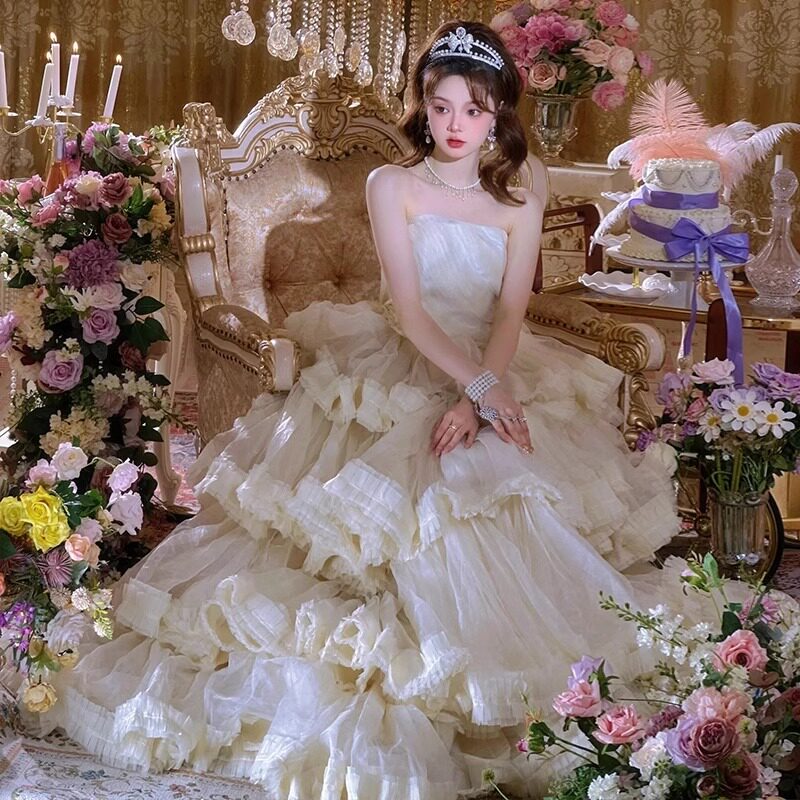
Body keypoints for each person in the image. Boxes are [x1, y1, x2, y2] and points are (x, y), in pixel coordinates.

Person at [47, 20, 682, 799]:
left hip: (494, 360)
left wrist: (486, 389)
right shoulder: (393, 184)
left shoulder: (526, 185)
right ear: (424, 106)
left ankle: (513, 662)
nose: (455, 125)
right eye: (442, 107)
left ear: (499, 114)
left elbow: (512, 309)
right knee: (421, 485)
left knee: (506, 479)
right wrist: (475, 390)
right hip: (403, 356)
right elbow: (410, 313)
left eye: (474, 110)